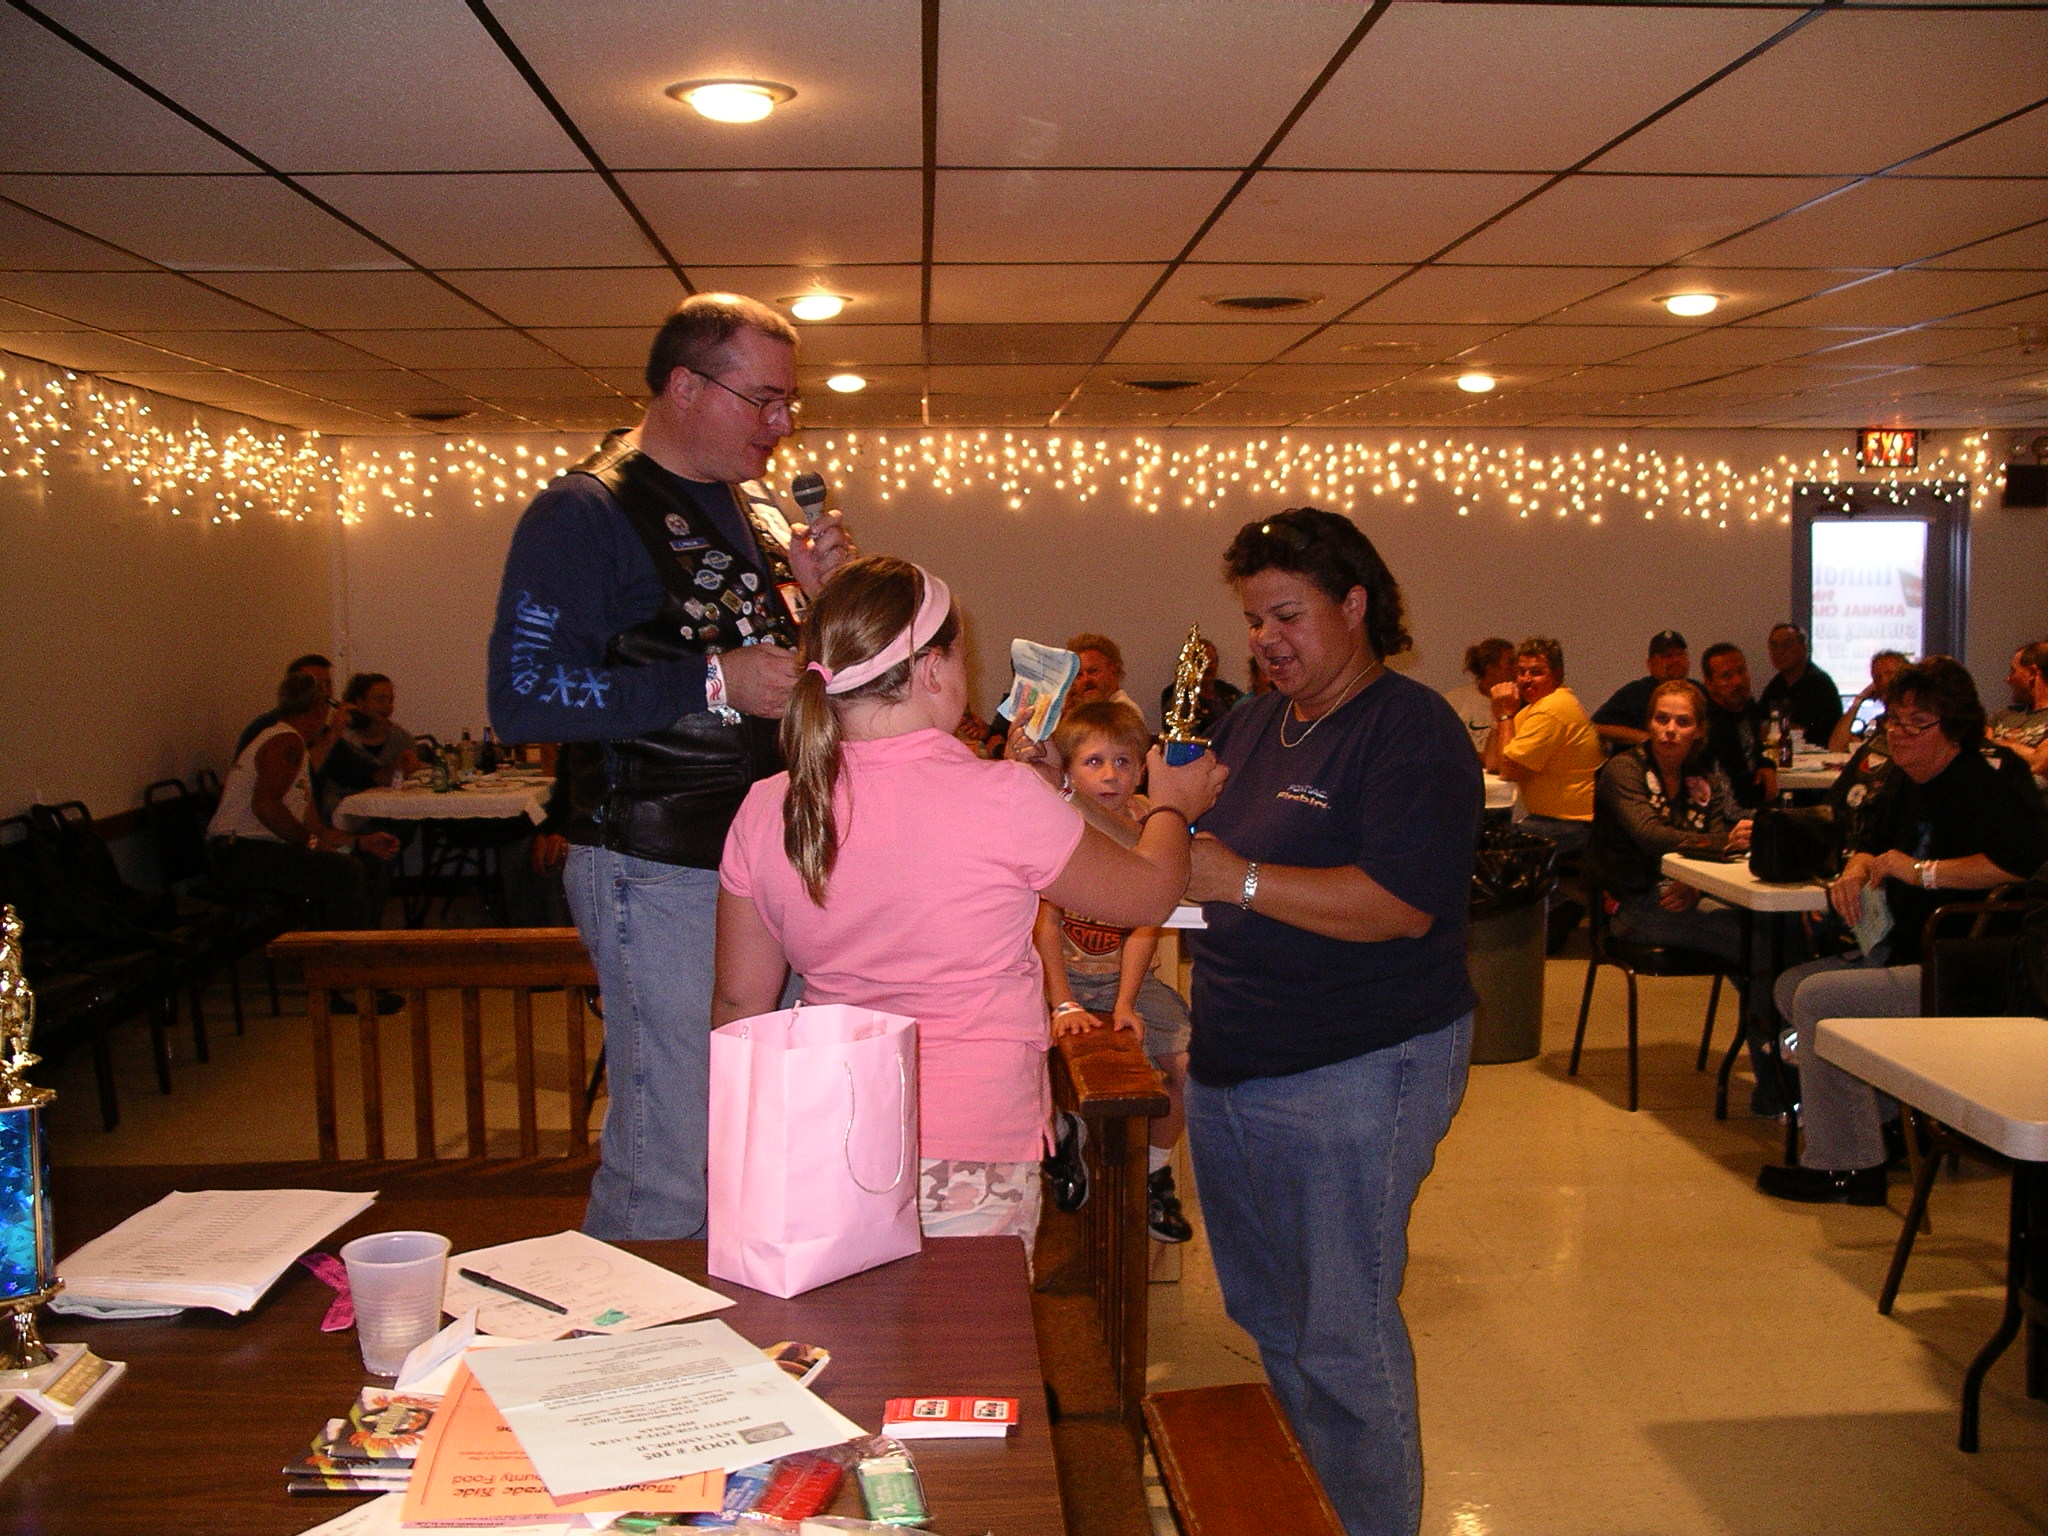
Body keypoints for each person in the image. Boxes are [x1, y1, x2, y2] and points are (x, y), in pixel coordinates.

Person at [713, 558, 1224, 1248]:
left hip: (829, 1126)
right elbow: (1148, 892)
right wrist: (1172, 805)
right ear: (931, 669)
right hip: (973, 1139)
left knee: (859, 1311)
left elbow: (739, 1003)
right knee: (970, 1316)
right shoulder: (1000, 797)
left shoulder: (767, 805)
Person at [486, 292, 854, 1241]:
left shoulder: (753, 509)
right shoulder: (583, 512)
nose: (783, 425)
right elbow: (522, 698)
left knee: (765, 1133)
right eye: (762, 400)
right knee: (673, 1161)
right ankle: (628, 1334)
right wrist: (711, 679)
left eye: (789, 402)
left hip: (764, 855)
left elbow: (771, 679)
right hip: (658, 864)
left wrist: (817, 602)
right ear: (685, 387)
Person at [1178, 507, 1481, 1536]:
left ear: (1354, 606)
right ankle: (1313, 1505)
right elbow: (1175, 852)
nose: (1265, 638)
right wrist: (1064, 797)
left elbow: (1400, 905)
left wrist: (1242, 879)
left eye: (1286, 615)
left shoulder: (1411, 731)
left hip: (1356, 1064)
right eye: (1253, 618)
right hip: (1233, 1059)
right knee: (1269, 1313)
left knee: (1340, 1331)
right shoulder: (1253, 725)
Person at [1759, 658, 2048, 1204]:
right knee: (1790, 985)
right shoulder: (1904, 777)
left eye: (1917, 724)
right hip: (1906, 945)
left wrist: (1922, 872)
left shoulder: (1990, 780)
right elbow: (1872, 842)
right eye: (1894, 720)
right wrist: (1856, 868)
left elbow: (2024, 864)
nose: (1899, 734)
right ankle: (1885, 1123)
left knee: (1820, 999)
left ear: (1953, 729)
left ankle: (1849, 1165)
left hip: (1966, 962)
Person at [1031, 700, 1194, 1243]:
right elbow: (1046, 925)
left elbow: (1146, 922)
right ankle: (1060, 1135)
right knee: (1017, 1049)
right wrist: (1062, 1002)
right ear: (1067, 771)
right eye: (1093, 762)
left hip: (1132, 977)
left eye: (1122, 762)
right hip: (1061, 977)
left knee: (1186, 1063)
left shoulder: (1151, 826)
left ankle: (1154, 1174)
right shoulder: (1057, 824)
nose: (1109, 775)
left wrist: (1125, 1002)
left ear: (1142, 770)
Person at [1583, 681, 1788, 1113]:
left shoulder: (1703, 777)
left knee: (1770, 933)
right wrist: (1719, 845)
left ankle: (1779, 1069)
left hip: (1688, 895)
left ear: (1699, 730)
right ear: (1648, 723)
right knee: (1759, 944)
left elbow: (1710, 846)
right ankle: (1778, 1084)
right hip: (1631, 904)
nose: (1670, 730)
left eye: (1682, 721)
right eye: (1662, 719)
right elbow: (1651, 835)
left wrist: (1696, 880)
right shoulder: (1623, 770)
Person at [207, 673, 401, 1008]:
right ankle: (341, 983)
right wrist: (312, 844)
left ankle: (355, 967)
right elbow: (266, 807)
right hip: (239, 852)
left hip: (261, 849)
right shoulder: (283, 742)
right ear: (316, 708)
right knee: (345, 873)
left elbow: (314, 825)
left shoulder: (297, 746)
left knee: (363, 862)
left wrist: (357, 842)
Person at [1482, 636, 1601, 857]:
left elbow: (1509, 770)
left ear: (1557, 675)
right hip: (1548, 819)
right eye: (1521, 672)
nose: (1526, 680)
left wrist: (1506, 714)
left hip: (1573, 825)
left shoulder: (1552, 708)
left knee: (1489, 847)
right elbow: (1494, 764)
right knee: (1482, 833)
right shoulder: (1533, 709)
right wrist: (1499, 717)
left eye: (1536, 672)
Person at [316, 673, 419, 819]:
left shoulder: (402, 739)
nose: (387, 706)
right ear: (359, 702)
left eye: (390, 700)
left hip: (388, 811)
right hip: (342, 811)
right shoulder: (338, 737)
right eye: (379, 699)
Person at [1699, 643, 1776, 810]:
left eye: (1741, 671)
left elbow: (1753, 753)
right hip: (1728, 814)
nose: (1738, 681)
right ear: (1709, 684)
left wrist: (1767, 766)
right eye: (1727, 676)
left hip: (1754, 805)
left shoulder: (1747, 706)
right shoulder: (1708, 726)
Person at [236, 654, 344, 772]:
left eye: (328, 684)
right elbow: (295, 777)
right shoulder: (271, 729)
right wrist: (332, 736)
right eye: (316, 685)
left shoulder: (323, 732)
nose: (325, 692)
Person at [1591, 629, 1690, 750]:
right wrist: (1647, 739)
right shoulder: (1635, 693)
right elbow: (1595, 726)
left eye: (1680, 654)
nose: (1676, 660)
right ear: (1651, 664)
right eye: (1667, 656)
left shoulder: (1697, 693)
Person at [1759, 622, 1842, 748]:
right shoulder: (1776, 685)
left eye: (1786, 645)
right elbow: (1760, 722)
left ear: (1804, 648)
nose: (1779, 651)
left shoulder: (1820, 684)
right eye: (1774, 646)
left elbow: (1819, 732)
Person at [1157, 636, 1242, 741]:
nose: (1208, 667)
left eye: (1212, 661)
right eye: (1201, 662)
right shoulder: (1178, 696)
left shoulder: (1228, 692)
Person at [1827, 649, 1909, 754]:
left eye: (1889, 674)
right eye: (1877, 677)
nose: (1883, 681)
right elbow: (1835, 748)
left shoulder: (1911, 720)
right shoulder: (1879, 722)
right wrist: (1859, 700)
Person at [1442, 636, 1514, 754]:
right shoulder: (1453, 701)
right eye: (1511, 663)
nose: (1517, 668)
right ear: (1491, 669)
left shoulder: (1519, 703)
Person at [1990, 639, 2048, 784]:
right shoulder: (2004, 715)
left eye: (2013, 671)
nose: (2008, 679)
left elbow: (2040, 762)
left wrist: (2007, 745)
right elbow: (1977, 749)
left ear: (2032, 673)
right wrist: (2029, 752)